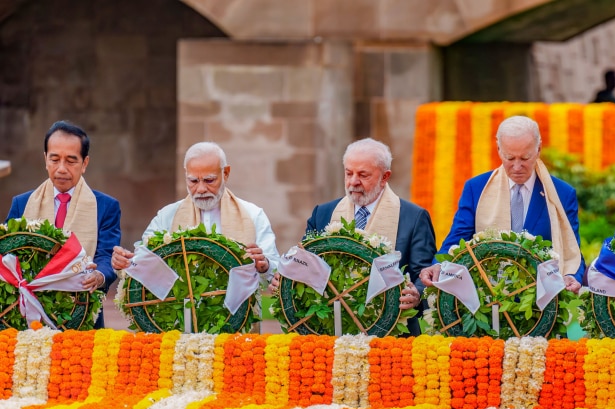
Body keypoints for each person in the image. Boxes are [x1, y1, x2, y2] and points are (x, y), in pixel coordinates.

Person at [271, 137, 437, 335]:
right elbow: (305, 263)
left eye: (363, 175)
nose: (353, 182)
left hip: (394, 336)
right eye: (348, 173)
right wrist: (285, 276)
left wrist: (416, 294)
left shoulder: (413, 217)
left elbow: (425, 274)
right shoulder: (323, 213)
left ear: (385, 177)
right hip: (330, 330)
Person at [419, 115, 585, 292]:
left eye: (525, 158)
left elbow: (571, 248)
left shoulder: (562, 193)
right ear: (498, 149)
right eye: (510, 158)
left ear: (539, 149)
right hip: (487, 294)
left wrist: (571, 276)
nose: (517, 166)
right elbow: (458, 239)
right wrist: (438, 264)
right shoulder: (476, 188)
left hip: (540, 298)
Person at [6, 120, 121, 328]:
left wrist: (99, 275)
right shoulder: (21, 204)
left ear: (85, 163)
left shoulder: (106, 206)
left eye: (71, 160)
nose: (61, 169)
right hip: (27, 318)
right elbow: (7, 257)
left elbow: (107, 256)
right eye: (55, 159)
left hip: (83, 312)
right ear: (45, 160)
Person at [111, 141, 279, 276]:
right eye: (193, 181)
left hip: (239, 316)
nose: (200, 189)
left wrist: (264, 266)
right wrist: (126, 261)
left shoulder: (253, 215)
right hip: (182, 314)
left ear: (225, 173)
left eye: (209, 180)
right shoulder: (167, 216)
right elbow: (144, 261)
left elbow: (274, 270)